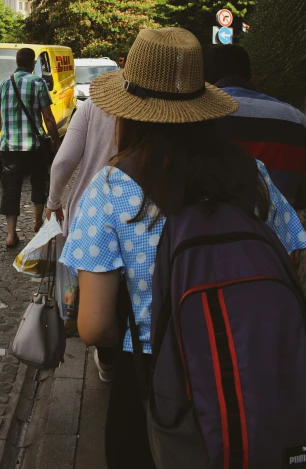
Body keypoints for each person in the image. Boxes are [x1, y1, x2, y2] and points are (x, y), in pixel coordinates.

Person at [61, 28, 306, 468]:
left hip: (152, 382)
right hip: (254, 369)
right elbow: (290, 259)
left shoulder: (113, 187)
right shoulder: (251, 174)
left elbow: (94, 327)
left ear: (128, 114)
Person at [46, 97, 117, 380]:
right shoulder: (167, 102)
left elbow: (63, 161)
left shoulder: (94, 106)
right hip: (144, 218)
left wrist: (54, 201)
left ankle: (107, 359)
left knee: (92, 295)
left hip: (90, 217)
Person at [204, 43, 306, 209]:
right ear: (252, 76)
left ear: (206, 80)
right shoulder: (296, 120)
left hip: (209, 230)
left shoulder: (198, 117)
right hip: (279, 232)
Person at [0, 47, 60, 248]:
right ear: (32, 64)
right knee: (39, 181)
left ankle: (11, 234)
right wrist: (57, 142)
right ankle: (37, 222)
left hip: (9, 146)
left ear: (17, 62)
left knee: (11, 188)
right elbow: (48, 117)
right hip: (34, 144)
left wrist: (6, 134)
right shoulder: (38, 83)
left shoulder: (4, 84)